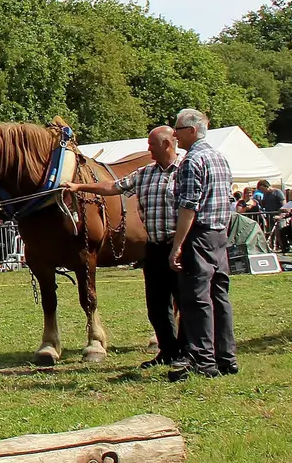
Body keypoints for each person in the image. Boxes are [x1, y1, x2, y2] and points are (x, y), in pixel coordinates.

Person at [66, 125, 181, 368]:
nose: (147, 148)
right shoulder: (145, 173)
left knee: (186, 301)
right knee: (157, 306)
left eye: (152, 144)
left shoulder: (186, 171)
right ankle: (168, 351)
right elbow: (113, 187)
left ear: (167, 144)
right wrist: (79, 187)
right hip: (155, 247)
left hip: (180, 246)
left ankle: (191, 352)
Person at [168, 109, 236, 380]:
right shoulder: (220, 158)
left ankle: (203, 359)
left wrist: (177, 245)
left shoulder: (191, 161)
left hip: (199, 234)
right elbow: (228, 202)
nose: (175, 134)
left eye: (178, 129)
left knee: (196, 298)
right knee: (220, 295)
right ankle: (226, 357)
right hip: (220, 235)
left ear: (192, 131)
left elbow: (188, 207)